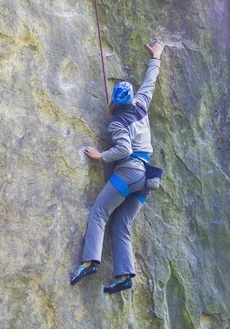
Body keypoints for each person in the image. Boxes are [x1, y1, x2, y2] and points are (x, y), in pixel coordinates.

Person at [70, 40, 165, 293]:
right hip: (147, 178)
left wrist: (101, 155)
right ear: (131, 98)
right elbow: (149, 83)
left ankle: (89, 262)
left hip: (130, 172)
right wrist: (156, 56)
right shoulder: (141, 104)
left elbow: (123, 149)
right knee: (122, 224)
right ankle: (124, 277)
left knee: (100, 212)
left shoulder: (117, 123)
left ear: (114, 100)